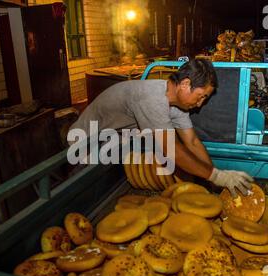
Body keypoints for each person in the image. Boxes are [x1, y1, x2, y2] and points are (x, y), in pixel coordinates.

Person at [68, 59, 253, 196]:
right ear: (186, 84)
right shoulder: (152, 99)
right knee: (80, 197)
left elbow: (193, 142)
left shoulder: (178, 106)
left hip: (111, 141)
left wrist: (216, 182)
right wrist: (217, 176)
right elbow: (171, 150)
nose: (200, 104)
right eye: (201, 96)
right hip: (85, 142)